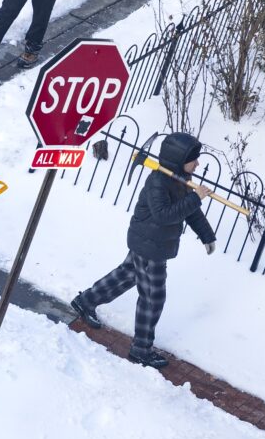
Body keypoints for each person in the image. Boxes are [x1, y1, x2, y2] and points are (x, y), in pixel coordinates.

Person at [70, 132, 218, 368]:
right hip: (151, 246)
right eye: (194, 159)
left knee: (127, 275)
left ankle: (85, 301)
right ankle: (141, 350)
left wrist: (207, 235)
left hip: (150, 242)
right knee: (153, 298)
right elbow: (164, 215)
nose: (198, 163)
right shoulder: (158, 182)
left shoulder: (178, 179)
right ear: (180, 159)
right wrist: (196, 198)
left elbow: (190, 211)